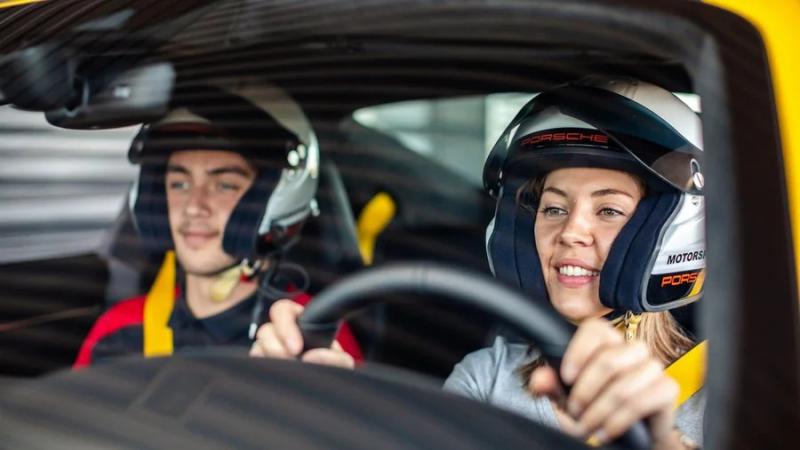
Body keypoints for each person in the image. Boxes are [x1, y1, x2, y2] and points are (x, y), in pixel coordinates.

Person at [250, 77, 705, 449]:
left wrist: (658, 441)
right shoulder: (487, 375)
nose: (571, 231)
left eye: (608, 210)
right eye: (554, 208)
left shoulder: (718, 395)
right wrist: (329, 413)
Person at [74, 82, 362, 367]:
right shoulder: (119, 329)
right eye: (180, 183)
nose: (194, 207)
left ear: (274, 199)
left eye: (225, 185)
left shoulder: (308, 332)